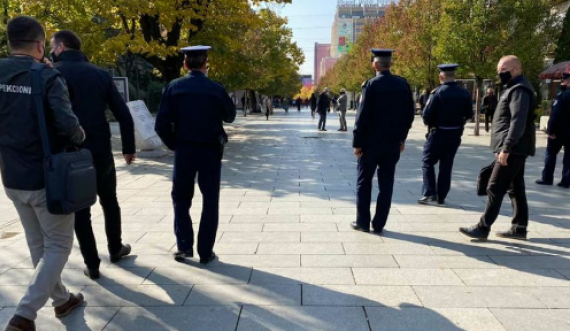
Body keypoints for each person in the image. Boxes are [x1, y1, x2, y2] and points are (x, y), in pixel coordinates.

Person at [0, 16, 86, 331]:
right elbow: (68, 126)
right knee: (58, 246)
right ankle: (24, 316)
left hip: (11, 176)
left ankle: (63, 300)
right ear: (40, 45)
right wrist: (81, 135)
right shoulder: (47, 76)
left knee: (39, 244)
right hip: (46, 179)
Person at [49, 30, 135, 280]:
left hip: (67, 152)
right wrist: (128, 148)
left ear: (62, 47)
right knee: (109, 200)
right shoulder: (99, 73)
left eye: (52, 46)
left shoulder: (52, 73)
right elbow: (123, 113)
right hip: (99, 149)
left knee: (80, 210)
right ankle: (115, 248)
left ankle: (92, 263)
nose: (50, 50)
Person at [155, 45, 236, 264]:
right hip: (210, 151)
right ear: (205, 64)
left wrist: (175, 144)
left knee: (180, 198)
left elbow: (160, 124)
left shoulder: (173, 87)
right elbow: (230, 116)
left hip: (184, 150)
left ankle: (184, 247)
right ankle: (205, 251)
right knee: (210, 200)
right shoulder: (216, 89)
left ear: (184, 64)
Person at [460, 55, 536, 240]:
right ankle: (519, 228)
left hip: (513, 148)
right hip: (515, 147)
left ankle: (483, 227)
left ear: (516, 69)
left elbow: (517, 121)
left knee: (495, 186)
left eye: (504, 70)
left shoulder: (519, 89)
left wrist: (507, 148)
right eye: (499, 71)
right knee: (515, 187)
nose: (500, 74)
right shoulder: (513, 87)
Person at [351, 49, 415, 233]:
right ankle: (379, 223)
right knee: (386, 184)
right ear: (390, 64)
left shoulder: (371, 85)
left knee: (364, 182)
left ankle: (362, 222)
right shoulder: (403, 84)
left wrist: (357, 142)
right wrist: (402, 138)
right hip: (392, 144)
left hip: (370, 144)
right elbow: (409, 115)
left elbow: (362, 116)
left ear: (375, 64)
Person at [418, 64, 473, 207]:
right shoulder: (464, 93)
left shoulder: (437, 92)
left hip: (438, 133)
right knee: (446, 165)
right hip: (455, 134)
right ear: (453, 76)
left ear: (441, 76)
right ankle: (442, 196)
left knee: (427, 162)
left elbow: (427, 116)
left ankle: (430, 193)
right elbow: (469, 115)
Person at [536, 72, 570, 188]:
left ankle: (547, 178)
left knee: (550, 153)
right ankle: (566, 181)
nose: (562, 82)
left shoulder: (563, 95)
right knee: (569, 157)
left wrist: (550, 131)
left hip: (559, 132)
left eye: (563, 81)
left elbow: (555, 115)